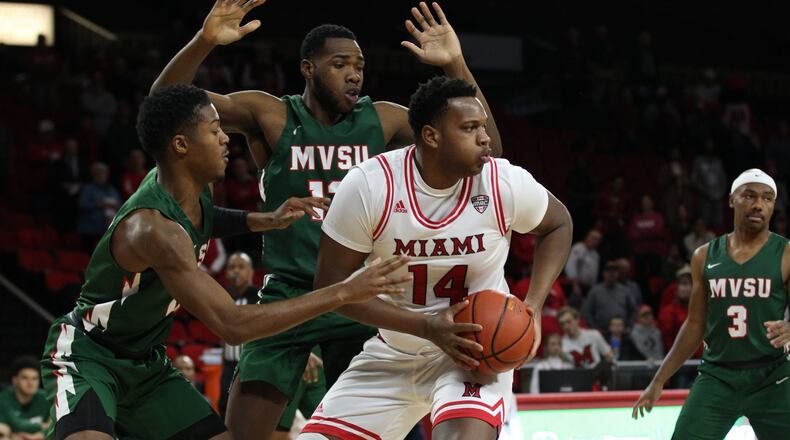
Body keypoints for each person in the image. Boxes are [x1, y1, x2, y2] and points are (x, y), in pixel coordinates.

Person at [152, 2, 505, 438]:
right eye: (340, 64)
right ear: (308, 68)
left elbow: (487, 154)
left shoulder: (384, 119)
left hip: (362, 296)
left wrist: (455, 60)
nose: (354, 74)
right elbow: (164, 106)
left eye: (359, 65)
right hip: (289, 297)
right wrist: (204, 41)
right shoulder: (272, 115)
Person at [38, 84, 411, 440]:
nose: (225, 138)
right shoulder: (155, 231)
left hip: (147, 365)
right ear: (181, 145)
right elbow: (232, 325)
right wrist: (343, 292)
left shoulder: (189, 185)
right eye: (214, 130)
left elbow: (206, 217)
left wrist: (261, 219)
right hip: (89, 356)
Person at [297, 76, 572, 439]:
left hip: (474, 356)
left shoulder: (502, 182)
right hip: (394, 353)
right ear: (431, 136)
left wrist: (532, 307)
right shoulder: (369, 185)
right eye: (470, 128)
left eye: (483, 127)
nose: (486, 137)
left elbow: (559, 223)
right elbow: (331, 289)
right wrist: (426, 327)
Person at [633, 169, 790, 439]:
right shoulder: (704, 255)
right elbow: (695, 324)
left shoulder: (785, 253)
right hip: (718, 376)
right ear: (731, 200)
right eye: (749, 196)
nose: (758, 205)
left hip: (773, 377)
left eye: (767, 199)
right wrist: (659, 379)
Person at [0, 356, 50, 439]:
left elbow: (55, 425)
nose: (30, 383)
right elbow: (15, 424)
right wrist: (42, 426)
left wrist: (39, 435)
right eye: (25, 378)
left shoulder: (46, 397)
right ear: (14, 380)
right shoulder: (3, 398)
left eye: (34, 378)